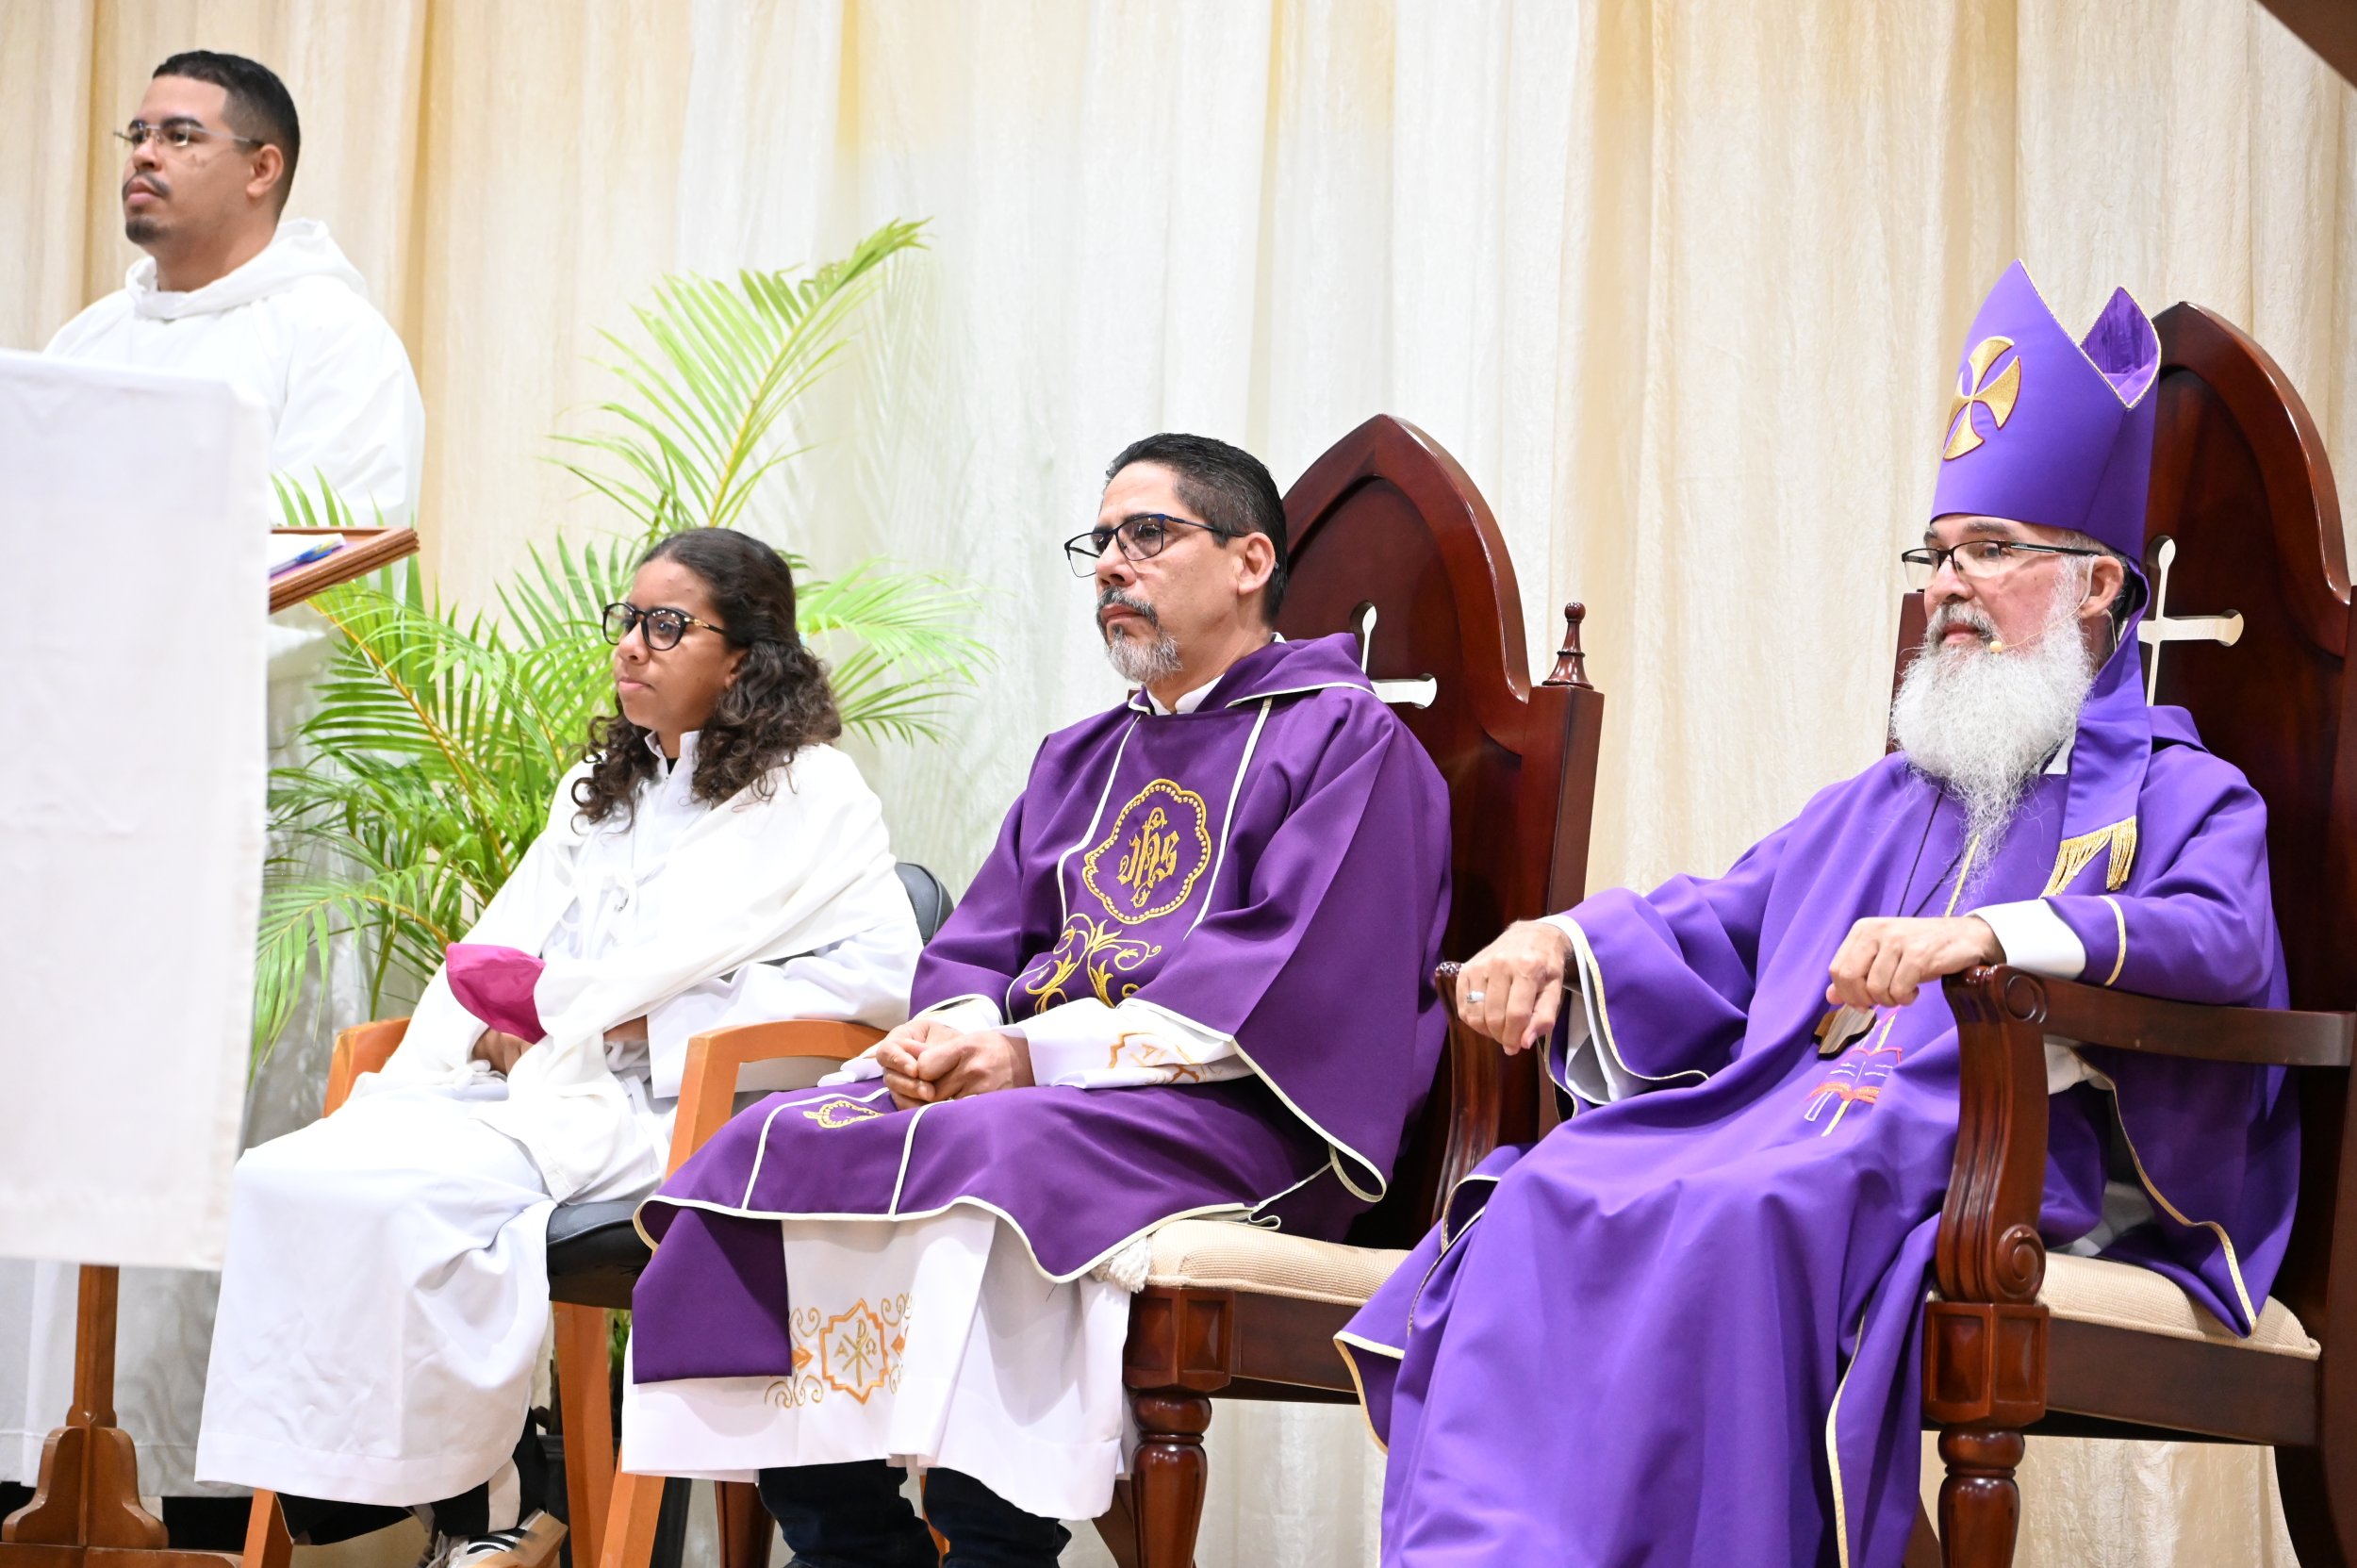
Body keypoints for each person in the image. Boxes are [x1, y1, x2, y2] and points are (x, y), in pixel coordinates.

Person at [1338, 262, 2301, 1566]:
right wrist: (1560, 937)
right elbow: (1725, 916)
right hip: (1814, 1120)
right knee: (1550, 1185)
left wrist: (1993, 935)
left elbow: (2223, 938)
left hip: (2017, 1150)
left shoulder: (2180, 789)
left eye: (1990, 551)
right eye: (1937, 554)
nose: (1947, 585)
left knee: (1757, 1205)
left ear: (2096, 587)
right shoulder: (1884, 798)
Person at [620, 435, 1454, 1566]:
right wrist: (954, 1035)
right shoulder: (1081, 755)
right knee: (770, 1140)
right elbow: (980, 943)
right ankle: (848, 1543)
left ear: (1250, 560)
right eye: (1099, 540)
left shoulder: (1347, 741)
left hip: (1237, 1112)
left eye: (1147, 534)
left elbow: (1291, 976)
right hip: (1034, 1098)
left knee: (998, 1153)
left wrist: (1029, 1060)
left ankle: (993, 1546)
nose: (1111, 563)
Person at [191, 530, 924, 1568]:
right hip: (538, 1083)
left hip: (668, 1110)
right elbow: (509, 946)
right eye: (627, 619)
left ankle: (494, 1498)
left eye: (666, 625)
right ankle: (433, 1501)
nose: (631, 644)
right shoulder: (605, 786)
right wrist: (494, 1024)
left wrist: (649, 1027)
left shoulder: (813, 795)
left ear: (744, 657)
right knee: (277, 1178)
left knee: (404, 1203)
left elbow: (876, 985)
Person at [45, 50, 423, 526]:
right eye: (138, 134)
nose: (143, 154)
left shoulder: (335, 338)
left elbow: (333, 546)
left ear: (261, 170)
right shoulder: (84, 339)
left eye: (180, 136)